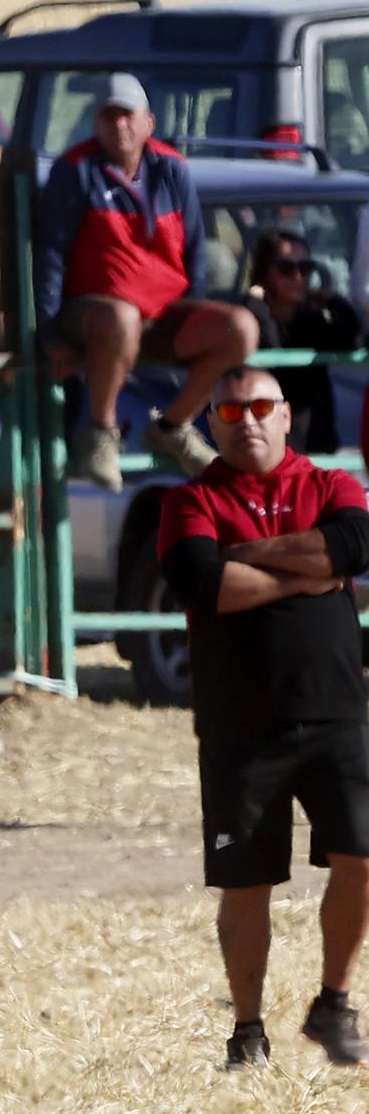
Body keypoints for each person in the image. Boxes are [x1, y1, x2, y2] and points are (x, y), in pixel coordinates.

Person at [155, 366, 369, 1071]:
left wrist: (252, 556)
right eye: (230, 411)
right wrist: (313, 567)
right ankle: (248, 1033)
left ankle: (332, 1004)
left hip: (338, 714)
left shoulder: (329, 484)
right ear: (213, 423)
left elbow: (355, 547)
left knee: (362, 859)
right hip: (239, 724)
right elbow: (200, 580)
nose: (246, 420)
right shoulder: (190, 499)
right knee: (247, 884)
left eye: (260, 407)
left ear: (285, 416)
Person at [37, 73, 258, 491]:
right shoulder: (76, 171)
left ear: (148, 122)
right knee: (121, 318)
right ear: (96, 123)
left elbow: (193, 249)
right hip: (97, 316)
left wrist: (193, 321)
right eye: (109, 116)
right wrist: (50, 335)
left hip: (161, 312)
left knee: (241, 327)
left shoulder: (172, 168)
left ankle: (175, 427)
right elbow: (50, 256)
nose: (119, 125)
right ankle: (101, 434)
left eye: (127, 115)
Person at [248, 226, 364, 457]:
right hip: (267, 450)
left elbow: (353, 339)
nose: (298, 277)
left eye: (306, 268)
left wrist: (333, 300)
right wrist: (256, 304)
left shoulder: (313, 320)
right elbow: (272, 350)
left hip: (316, 447)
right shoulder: (246, 320)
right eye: (286, 268)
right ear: (264, 272)